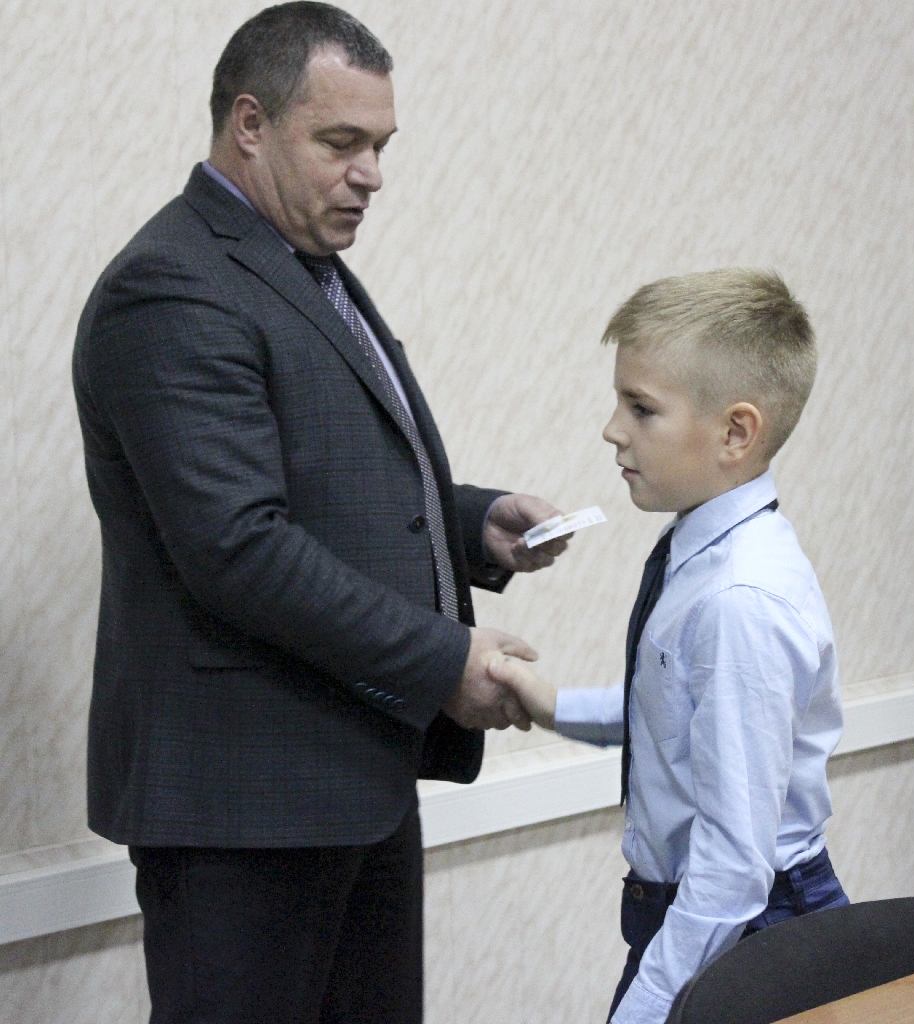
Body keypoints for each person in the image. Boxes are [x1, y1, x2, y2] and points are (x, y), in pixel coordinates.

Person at [72, 4, 570, 1022]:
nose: (371, 174)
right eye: (341, 142)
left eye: (381, 145)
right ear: (250, 125)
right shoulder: (172, 285)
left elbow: (320, 484)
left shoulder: (298, 266)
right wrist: (446, 660)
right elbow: (239, 548)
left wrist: (470, 523)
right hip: (242, 809)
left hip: (353, 781)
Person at [489, 269, 848, 1024]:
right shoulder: (702, 552)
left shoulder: (739, 602)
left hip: (745, 923)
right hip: (705, 914)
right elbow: (680, 718)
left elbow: (734, 866)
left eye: (641, 408)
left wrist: (646, 1010)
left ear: (736, 433)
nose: (612, 429)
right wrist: (552, 705)